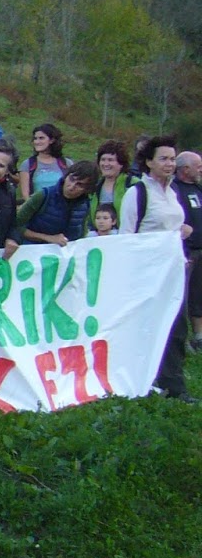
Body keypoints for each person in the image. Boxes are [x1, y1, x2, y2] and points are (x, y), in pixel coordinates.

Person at [119, 137, 192, 400]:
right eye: (163, 158)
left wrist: (182, 231)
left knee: (176, 327)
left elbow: (171, 227)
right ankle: (142, 381)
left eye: (172, 158)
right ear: (148, 162)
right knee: (146, 326)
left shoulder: (173, 193)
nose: (169, 163)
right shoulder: (137, 193)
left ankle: (174, 385)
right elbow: (127, 236)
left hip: (173, 270)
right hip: (147, 274)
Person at [16, 161, 96, 247]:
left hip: (67, 254)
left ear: (87, 189)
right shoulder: (43, 195)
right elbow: (16, 226)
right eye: (71, 179)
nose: (72, 186)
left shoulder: (85, 204)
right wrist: (49, 238)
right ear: (66, 176)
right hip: (35, 250)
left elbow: (81, 233)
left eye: (80, 185)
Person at [175, 151, 202, 352]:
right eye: (198, 166)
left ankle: (199, 336)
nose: (200, 170)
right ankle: (181, 341)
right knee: (181, 297)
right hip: (186, 252)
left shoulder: (198, 188)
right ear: (185, 169)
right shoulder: (174, 190)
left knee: (198, 295)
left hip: (200, 250)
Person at [21, 124, 67, 198]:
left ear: (52, 140)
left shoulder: (66, 163)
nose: (37, 142)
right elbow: (25, 195)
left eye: (41, 138)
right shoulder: (28, 164)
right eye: (35, 138)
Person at [92, 140, 133, 214]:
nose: (106, 164)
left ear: (121, 164)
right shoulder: (95, 187)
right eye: (103, 159)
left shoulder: (132, 184)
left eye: (110, 160)